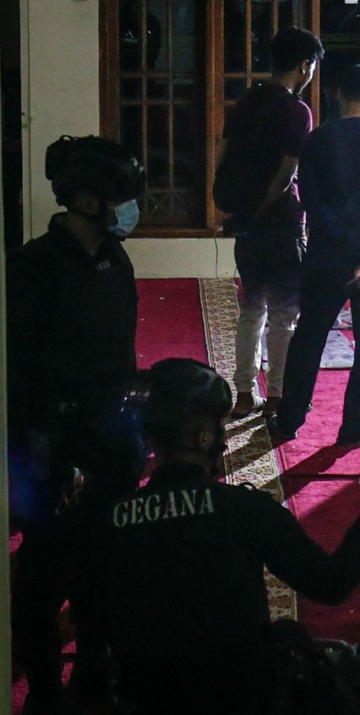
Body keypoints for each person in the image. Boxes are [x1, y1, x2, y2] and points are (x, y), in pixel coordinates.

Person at [76, 358, 360, 714]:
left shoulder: (110, 522)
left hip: (147, 697)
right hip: (243, 697)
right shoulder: (244, 510)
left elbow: (92, 629)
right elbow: (330, 584)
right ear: (206, 436)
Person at [7, 135, 146, 713]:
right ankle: (43, 692)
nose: (129, 210)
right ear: (88, 201)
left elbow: (120, 351)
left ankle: (95, 676)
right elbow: (20, 372)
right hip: (51, 454)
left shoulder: (115, 261)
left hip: (109, 445)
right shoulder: (31, 268)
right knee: (42, 583)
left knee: (103, 576)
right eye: (119, 197)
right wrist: (54, 456)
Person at [268, 65, 360, 447]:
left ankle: (289, 421)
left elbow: (314, 205)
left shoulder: (317, 141)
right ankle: (353, 428)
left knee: (309, 336)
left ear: (337, 97)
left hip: (326, 256)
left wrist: (350, 245)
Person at [215, 27, 324, 418]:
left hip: (244, 219)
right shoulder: (297, 110)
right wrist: (261, 209)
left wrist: (239, 211)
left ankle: (243, 394)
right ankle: (276, 395)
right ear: (304, 65)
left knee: (250, 308)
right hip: (279, 222)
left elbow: (223, 154)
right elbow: (286, 174)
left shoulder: (246, 101)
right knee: (283, 314)